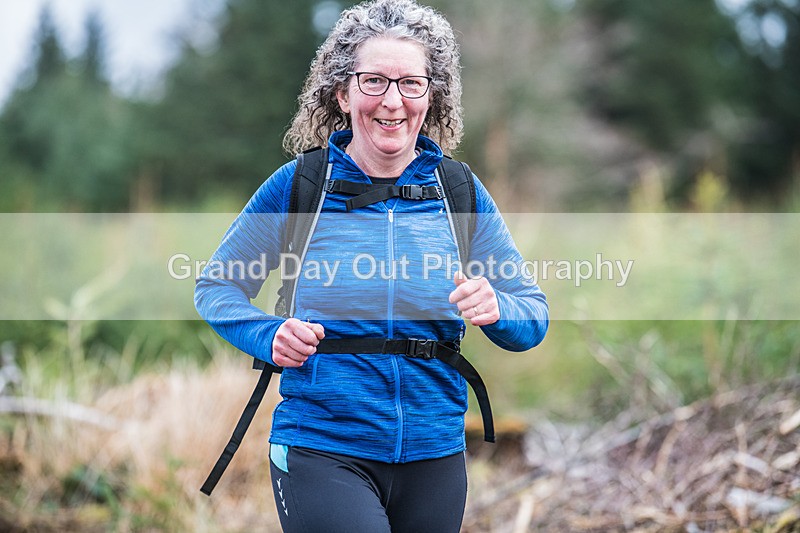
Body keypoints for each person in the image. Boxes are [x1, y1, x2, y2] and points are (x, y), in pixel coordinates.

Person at [194, 0, 549, 530]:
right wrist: (267, 335)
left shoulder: (459, 192)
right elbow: (216, 287)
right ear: (342, 91)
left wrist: (498, 308)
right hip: (322, 446)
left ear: (431, 96)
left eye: (411, 84)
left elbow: (533, 318)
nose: (392, 101)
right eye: (374, 81)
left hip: (436, 450)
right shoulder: (300, 187)